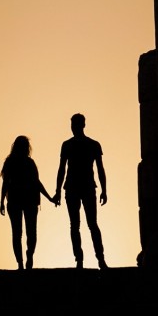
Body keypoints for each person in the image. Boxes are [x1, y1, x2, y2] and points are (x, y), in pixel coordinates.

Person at [52, 113, 108, 269]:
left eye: (74, 124)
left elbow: (100, 169)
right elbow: (62, 169)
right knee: (83, 225)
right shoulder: (80, 145)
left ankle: (95, 259)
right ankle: (84, 259)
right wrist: (57, 191)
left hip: (83, 187)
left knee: (86, 224)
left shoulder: (85, 145)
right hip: (76, 188)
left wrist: (104, 190)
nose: (73, 128)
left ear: (81, 125)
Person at [0, 135, 55, 270]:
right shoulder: (17, 163)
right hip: (20, 201)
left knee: (23, 233)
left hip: (24, 201)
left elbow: (36, 182)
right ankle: (22, 262)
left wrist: (49, 198)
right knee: (22, 233)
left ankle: (26, 259)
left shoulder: (24, 163)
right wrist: (1, 201)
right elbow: (6, 183)